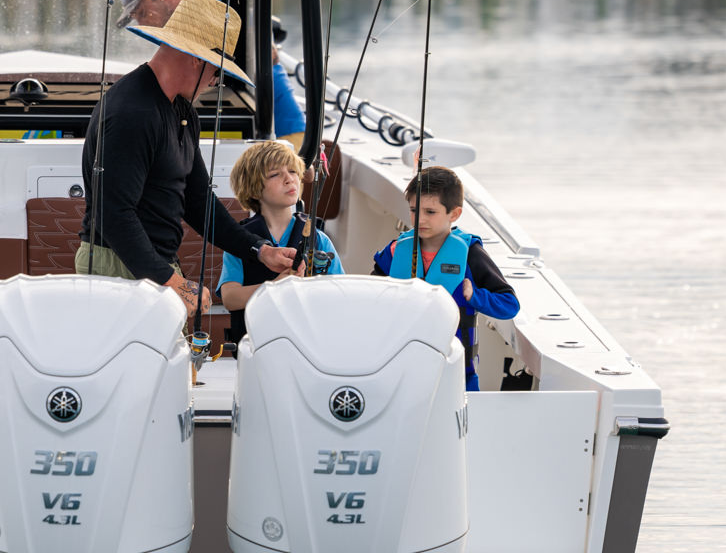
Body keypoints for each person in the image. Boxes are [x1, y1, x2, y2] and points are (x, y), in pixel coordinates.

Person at [78, 0, 296, 315]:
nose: (216, 81)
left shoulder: (182, 111)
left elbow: (198, 202)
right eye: (217, 71)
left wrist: (258, 249)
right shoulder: (132, 112)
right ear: (197, 59)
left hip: (152, 265)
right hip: (116, 266)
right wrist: (172, 281)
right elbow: (113, 215)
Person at [114, 0, 306, 146]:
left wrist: (262, 40)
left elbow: (254, 24)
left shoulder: (217, 11)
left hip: (283, 130)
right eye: (136, 18)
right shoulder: (186, 39)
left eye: (142, 12)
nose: (141, 23)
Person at [371, 167, 519, 391]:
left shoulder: (470, 254)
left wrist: (475, 296)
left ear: (454, 214)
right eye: (413, 210)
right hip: (399, 370)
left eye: (430, 212)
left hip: (458, 377)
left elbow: (510, 305)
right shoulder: (394, 252)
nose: (420, 219)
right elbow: (369, 296)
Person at [215, 139, 344, 343]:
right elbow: (230, 298)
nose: (289, 179)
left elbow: (340, 292)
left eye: (293, 171)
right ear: (254, 189)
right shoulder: (239, 241)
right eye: (275, 174)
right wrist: (274, 286)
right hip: (255, 343)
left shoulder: (319, 239)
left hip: (310, 342)